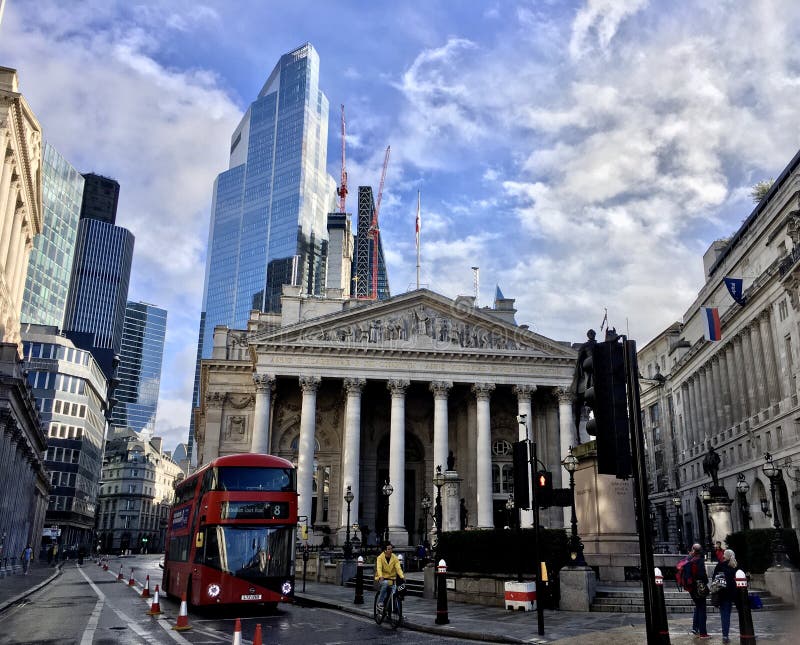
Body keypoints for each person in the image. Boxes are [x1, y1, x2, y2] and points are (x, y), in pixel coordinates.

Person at [713, 549, 739, 644]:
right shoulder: (735, 566)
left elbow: (714, 580)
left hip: (722, 594)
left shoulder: (720, 565)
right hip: (734, 594)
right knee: (735, 614)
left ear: (725, 556)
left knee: (725, 615)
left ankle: (725, 635)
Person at [688, 543, 710, 639]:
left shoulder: (689, 559)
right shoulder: (699, 560)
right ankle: (703, 633)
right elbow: (702, 575)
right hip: (698, 587)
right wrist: (706, 581)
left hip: (691, 587)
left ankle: (695, 628)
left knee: (698, 607)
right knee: (702, 609)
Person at [374, 542, 404, 613]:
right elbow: (379, 568)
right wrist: (381, 576)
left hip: (392, 579)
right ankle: (380, 603)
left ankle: (394, 609)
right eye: (389, 549)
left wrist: (402, 576)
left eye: (391, 549)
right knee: (385, 584)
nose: (391, 550)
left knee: (395, 591)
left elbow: (398, 568)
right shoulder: (380, 558)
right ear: (385, 550)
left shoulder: (395, 557)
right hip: (382, 579)